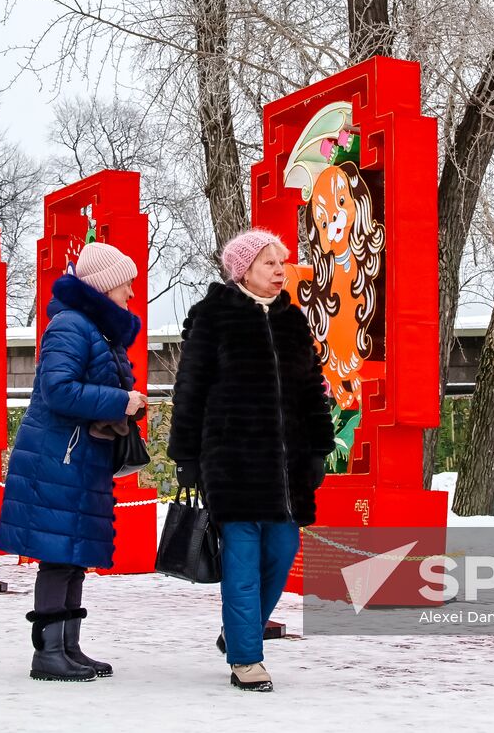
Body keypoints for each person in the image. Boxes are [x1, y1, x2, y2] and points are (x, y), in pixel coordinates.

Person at [169, 229, 334, 693]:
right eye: (270, 264)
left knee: (280, 556)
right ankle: (246, 658)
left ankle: (236, 633)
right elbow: (190, 390)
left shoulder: (292, 322)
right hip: (233, 464)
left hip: (288, 470)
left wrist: (319, 448)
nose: (281, 272)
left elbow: (311, 392)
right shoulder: (212, 317)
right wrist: (186, 456)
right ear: (244, 271)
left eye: (282, 263)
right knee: (241, 561)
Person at [0, 241, 147, 683]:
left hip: (78, 457)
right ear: (104, 285)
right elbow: (58, 390)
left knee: (74, 555)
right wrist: (122, 400)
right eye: (126, 285)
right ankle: (47, 655)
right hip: (58, 458)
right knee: (58, 556)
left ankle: (68, 647)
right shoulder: (70, 326)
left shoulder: (94, 328)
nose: (131, 295)